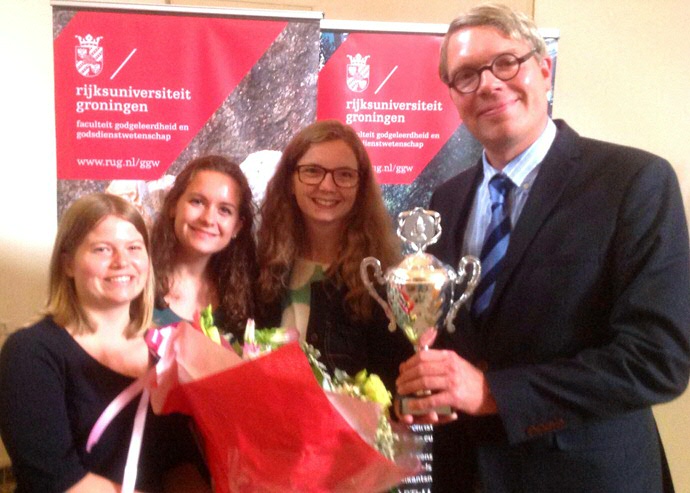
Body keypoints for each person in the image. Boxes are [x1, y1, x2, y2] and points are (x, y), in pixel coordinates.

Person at [394, 4, 690, 492]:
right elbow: (451, 334)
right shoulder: (446, 199)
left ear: (544, 68)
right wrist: (423, 383)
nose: (489, 84)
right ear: (453, 95)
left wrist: (494, 393)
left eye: (505, 62)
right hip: (466, 474)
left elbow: (658, 359)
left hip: (586, 480)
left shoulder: (633, 182)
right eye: (466, 75)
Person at [0, 193, 209, 492]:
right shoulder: (30, 353)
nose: (122, 261)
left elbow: (178, 461)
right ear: (68, 264)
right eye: (102, 249)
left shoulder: (165, 349)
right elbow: (55, 481)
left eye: (134, 247)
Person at [255, 119, 413, 389]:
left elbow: (396, 387)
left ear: (360, 187)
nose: (328, 186)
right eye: (312, 171)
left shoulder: (383, 283)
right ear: (290, 181)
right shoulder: (261, 270)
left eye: (344, 175)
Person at [150, 155, 257, 339]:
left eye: (224, 210)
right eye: (197, 202)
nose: (208, 219)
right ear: (173, 206)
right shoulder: (137, 279)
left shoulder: (248, 296)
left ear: (237, 227)